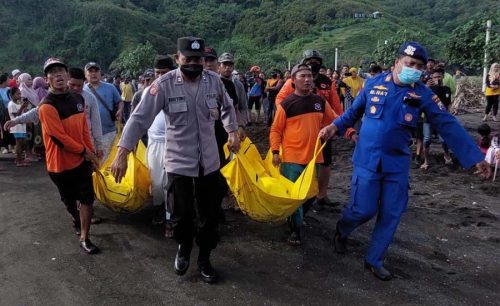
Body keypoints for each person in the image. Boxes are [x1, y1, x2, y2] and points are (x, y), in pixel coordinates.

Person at [319, 41, 491, 281]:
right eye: (409, 63)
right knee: (363, 210)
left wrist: (475, 158)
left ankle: (374, 259)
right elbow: (352, 114)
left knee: (391, 213)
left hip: (396, 165)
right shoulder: (373, 84)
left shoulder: (423, 93)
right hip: (367, 161)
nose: (414, 68)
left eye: (419, 65)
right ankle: (342, 230)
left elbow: (447, 124)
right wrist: (333, 127)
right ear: (396, 63)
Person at [110, 37, 240, 284]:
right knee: (181, 214)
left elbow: (228, 107)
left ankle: (204, 258)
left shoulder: (214, 81)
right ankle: (183, 248)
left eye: (198, 59)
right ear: (178, 58)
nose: (194, 63)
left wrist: (232, 130)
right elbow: (138, 119)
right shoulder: (164, 85)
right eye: (188, 59)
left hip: (210, 162)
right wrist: (122, 152)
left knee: (209, 214)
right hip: (179, 162)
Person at [276, 49, 356, 208]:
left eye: (316, 60)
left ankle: (322, 195)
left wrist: (346, 128)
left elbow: (337, 109)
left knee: (325, 163)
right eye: (309, 60)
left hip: (324, 133)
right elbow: (280, 100)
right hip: (299, 131)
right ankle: (297, 198)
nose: (313, 64)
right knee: (298, 165)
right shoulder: (293, 81)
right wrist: (291, 117)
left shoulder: (327, 82)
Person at [38, 58, 100, 254]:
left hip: (81, 162)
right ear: (47, 79)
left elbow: (84, 131)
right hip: (59, 165)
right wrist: (85, 151)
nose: (57, 75)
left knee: (87, 199)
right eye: (52, 73)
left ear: (67, 75)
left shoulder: (78, 99)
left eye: (60, 71)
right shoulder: (46, 106)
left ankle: (84, 237)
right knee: (69, 200)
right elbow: (59, 138)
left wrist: (91, 154)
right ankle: (75, 217)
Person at [270, 64, 336, 245]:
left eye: (309, 76)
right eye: (302, 76)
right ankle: (295, 231)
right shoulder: (286, 104)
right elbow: (276, 130)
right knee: (295, 195)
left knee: (312, 193)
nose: (307, 79)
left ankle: (295, 219)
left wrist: (337, 130)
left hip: (314, 157)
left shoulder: (320, 102)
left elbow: (334, 120)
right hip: (291, 157)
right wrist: (276, 151)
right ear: (293, 80)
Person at [84, 62, 123, 163]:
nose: (93, 74)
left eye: (96, 71)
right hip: (89, 135)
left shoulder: (110, 87)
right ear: (85, 75)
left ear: (100, 73)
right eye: (90, 71)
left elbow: (119, 102)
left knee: (108, 162)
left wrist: (120, 110)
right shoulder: (82, 91)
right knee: (94, 164)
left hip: (108, 132)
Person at [421, 68, 453, 169]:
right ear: (431, 78)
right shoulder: (427, 89)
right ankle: (426, 161)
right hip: (429, 118)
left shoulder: (447, 89)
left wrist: (451, 112)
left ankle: (446, 155)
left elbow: (448, 104)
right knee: (427, 140)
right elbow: (420, 99)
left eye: (439, 76)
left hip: (442, 118)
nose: (437, 78)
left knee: (443, 140)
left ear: (443, 77)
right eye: (435, 77)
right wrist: (426, 87)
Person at [7, 87, 30, 166]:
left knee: (23, 142)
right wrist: (22, 107)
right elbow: (16, 115)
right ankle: (19, 160)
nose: (20, 95)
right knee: (19, 143)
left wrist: (25, 106)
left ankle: (20, 159)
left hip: (22, 126)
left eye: (20, 93)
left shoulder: (18, 103)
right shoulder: (11, 104)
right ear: (12, 95)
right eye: (18, 94)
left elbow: (24, 113)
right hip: (16, 127)